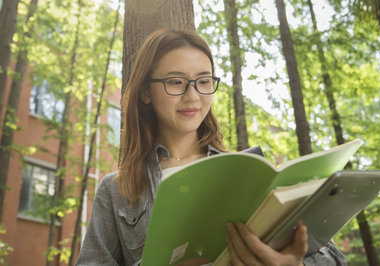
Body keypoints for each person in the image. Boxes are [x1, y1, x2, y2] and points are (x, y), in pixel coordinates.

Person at [76, 29, 346, 266]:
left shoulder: (248, 171)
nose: (192, 96)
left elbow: (333, 258)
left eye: (204, 81)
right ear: (146, 91)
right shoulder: (117, 189)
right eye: (176, 82)